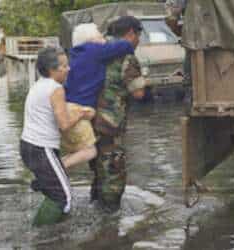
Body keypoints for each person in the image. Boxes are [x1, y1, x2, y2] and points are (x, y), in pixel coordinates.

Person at [20, 47, 94, 226]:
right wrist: (82, 114)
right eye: (64, 66)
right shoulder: (55, 89)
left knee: (58, 192)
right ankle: (39, 235)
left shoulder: (39, 85)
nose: (68, 69)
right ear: (52, 70)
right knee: (64, 198)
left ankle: (56, 229)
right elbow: (64, 124)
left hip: (29, 146)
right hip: (40, 149)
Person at [90, 16, 146, 211]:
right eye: (139, 35)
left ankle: (96, 210)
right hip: (110, 124)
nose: (139, 40)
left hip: (88, 120)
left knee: (98, 168)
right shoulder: (127, 57)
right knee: (114, 172)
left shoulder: (96, 51)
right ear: (131, 33)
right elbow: (138, 92)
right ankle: (109, 224)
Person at [61, 23, 135, 169]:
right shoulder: (93, 51)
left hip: (68, 108)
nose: (103, 38)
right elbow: (126, 45)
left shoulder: (75, 54)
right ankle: (57, 168)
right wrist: (105, 43)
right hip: (80, 111)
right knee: (90, 151)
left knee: (77, 150)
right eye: (99, 35)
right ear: (91, 39)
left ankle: (56, 168)